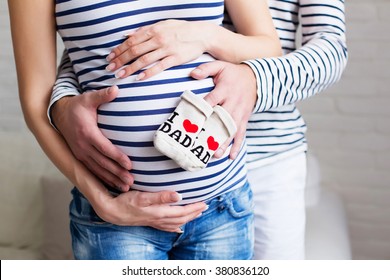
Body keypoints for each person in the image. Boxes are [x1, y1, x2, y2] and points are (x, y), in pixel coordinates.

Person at [48, 0, 348, 259]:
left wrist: (252, 79)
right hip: (140, 179)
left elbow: (331, 49)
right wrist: (61, 104)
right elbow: (96, 41)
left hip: (265, 155)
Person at [8, 0, 282, 259]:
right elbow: (36, 101)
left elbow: (269, 47)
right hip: (117, 218)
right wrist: (103, 201)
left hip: (222, 208)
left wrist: (204, 35)